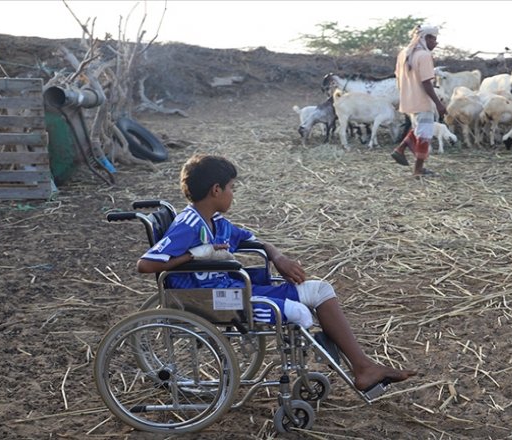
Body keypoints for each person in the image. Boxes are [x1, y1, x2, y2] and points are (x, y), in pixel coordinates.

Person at [137, 154, 416, 392]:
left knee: (320, 290)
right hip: (213, 299)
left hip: (235, 290)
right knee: (300, 314)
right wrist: (195, 255)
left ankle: (363, 367)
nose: (234, 192)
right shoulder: (188, 225)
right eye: (232, 187)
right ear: (216, 190)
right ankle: (323, 359)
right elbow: (146, 265)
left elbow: (253, 240)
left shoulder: (216, 222)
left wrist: (277, 256)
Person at [390, 24, 448, 178]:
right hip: (422, 101)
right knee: (425, 134)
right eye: (434, 39)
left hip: (408, 100)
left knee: (419, 129)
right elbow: (426, 82)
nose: (435, 43)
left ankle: (401, 149)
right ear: (426, 38)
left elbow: (398, 77)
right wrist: (438, 103)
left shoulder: (404, 54)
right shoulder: (424, 56)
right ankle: (418, 170)